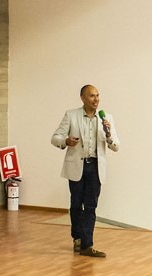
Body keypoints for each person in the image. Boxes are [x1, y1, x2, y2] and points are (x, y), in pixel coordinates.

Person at [51, 84, 119, 257]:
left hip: (95, 168)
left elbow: (116, 146)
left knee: (90, 206)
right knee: (75, 205)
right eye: (91, 96)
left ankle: (87, 245)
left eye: (97, 96)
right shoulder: (71, 115)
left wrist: (108, 134)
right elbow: (55, 138)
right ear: (82, 98)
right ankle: (77, 238)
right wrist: (66, 141)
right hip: (77, 166)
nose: (96, 99)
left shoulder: (106, 118)